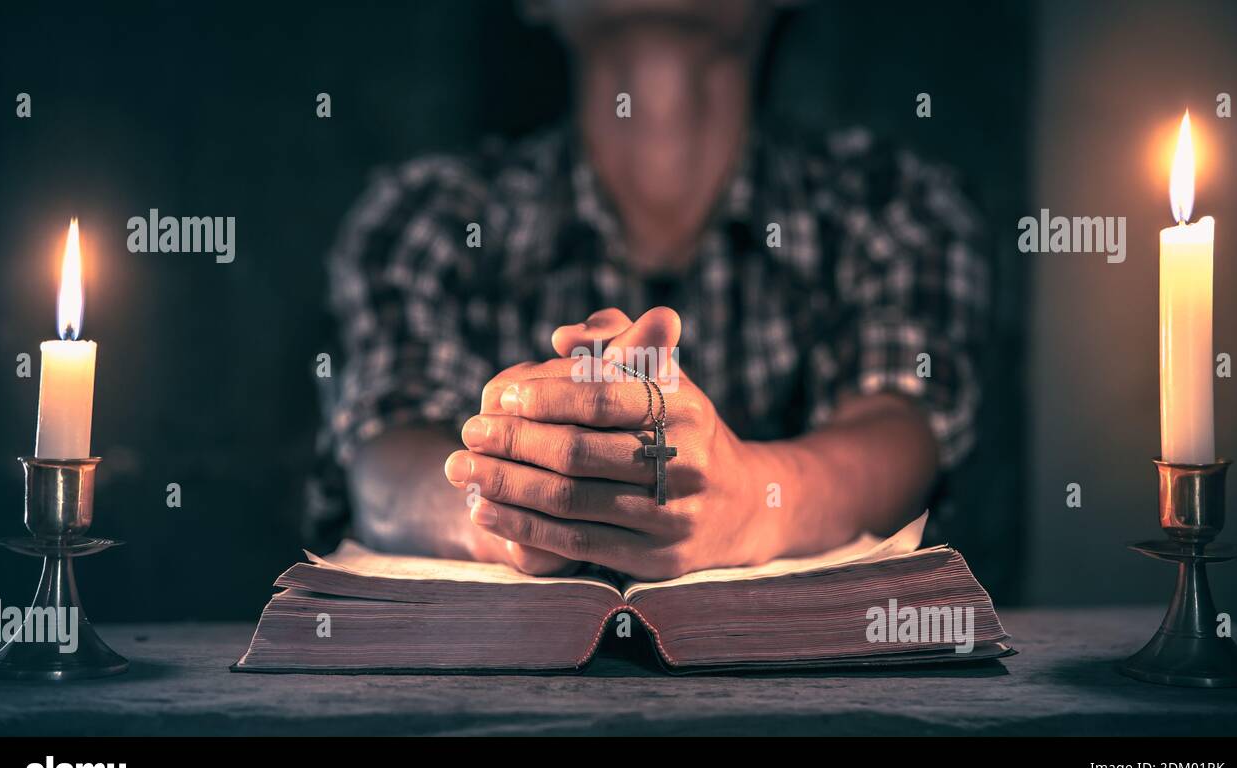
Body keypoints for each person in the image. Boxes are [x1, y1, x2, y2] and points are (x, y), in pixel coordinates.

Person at [309, 0, 988, 580]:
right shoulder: (426, 215)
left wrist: (748, 499)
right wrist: (521, 511)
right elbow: (385, 461)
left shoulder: (892, 205)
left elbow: (902, 434)